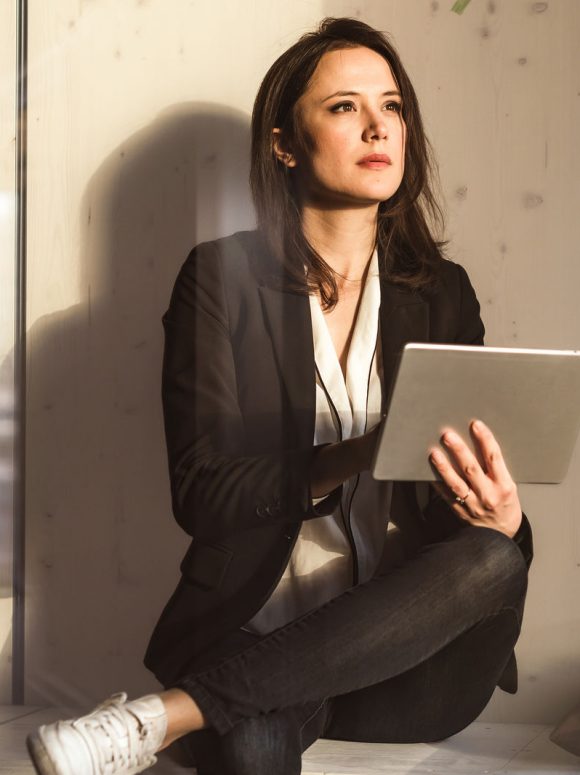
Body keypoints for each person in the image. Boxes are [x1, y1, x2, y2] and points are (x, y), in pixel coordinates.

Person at [27, 17, 533, 775]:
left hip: (407, 666)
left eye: (391, 106)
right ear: (283, 143)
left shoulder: (442, 295)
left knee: (495, 559)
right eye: (344, 107)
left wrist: (504, 515)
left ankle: (158, 717)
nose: (377, 126)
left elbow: (470, 500)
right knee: (254, 744)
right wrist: (356, 452)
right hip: (252, 632)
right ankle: (226, 701)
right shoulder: (220, 282)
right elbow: (200, 491)